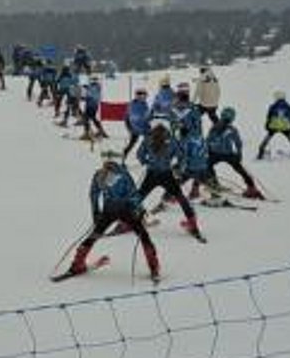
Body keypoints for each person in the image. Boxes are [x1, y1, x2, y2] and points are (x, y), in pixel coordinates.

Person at [67, 149, 159, 279]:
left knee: (94, 234)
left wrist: (95, 211)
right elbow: (133, 194)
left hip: (108, 210)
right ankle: (153, 266)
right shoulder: (124, 175)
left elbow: (93, 194)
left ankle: (77, 263)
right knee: (144, 236)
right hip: (126, 211)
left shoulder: (99, 174)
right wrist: (140, 210)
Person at [136, 122, 203, 242]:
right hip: (166, 174)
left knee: (139, 196)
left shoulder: (147, 139)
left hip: (152, 173)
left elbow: (139, 154)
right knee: (180, 198)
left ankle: (126, 220)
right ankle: (192, 223)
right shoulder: (171, 141)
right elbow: (181, 156)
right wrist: (179, 168)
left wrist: (146, 161)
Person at [206, 107, 266, 199]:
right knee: (240, 169)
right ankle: (251, 187)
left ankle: (214, 184)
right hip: (228, 154)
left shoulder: (214, 127)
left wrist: (207, 151)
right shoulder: (232, 129)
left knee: (207, 166)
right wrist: (239, 154)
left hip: (214, 153)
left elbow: (208, 141)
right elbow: (238, 143)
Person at [260, 92, 290, 159]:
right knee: (289, 136)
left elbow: (269, 117)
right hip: (285, 125)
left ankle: (261, 149)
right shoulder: (289, 106)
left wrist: (267, 125)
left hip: (274, 125)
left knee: (269, 136)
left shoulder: (272, 106)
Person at [123, 88, 152, 157]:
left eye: (145, 96)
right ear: (140, 96)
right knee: (149, 139)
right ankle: (147, 153)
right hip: (139, 127)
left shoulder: (139, 104)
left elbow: (126, 117)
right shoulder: (137, 105)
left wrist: (129, 127)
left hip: (135, 127)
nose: (145, 98)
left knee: (133, 141)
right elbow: (141, 117)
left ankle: (126, 151)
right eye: (144, 96)